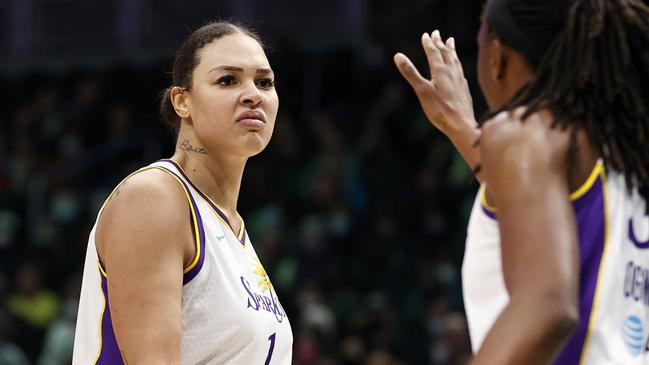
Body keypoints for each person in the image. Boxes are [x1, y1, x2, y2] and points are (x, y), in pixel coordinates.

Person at [394, 0, 649, 363]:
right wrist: (462, 128)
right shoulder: (621, 155)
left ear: (496, 56)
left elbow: (547, 306)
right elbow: (543, 205)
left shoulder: (522, 134)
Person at [72, 21, 293, 364]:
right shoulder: (154, 197)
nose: (253, 94)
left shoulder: (230, 225)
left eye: (265, 82)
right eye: (227, 80)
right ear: (182, 101)